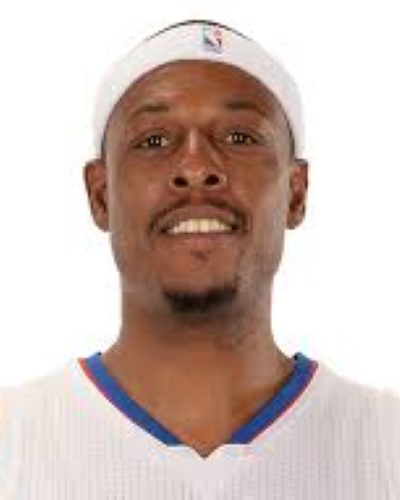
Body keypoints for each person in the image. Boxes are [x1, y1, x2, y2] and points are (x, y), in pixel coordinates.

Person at [0, 19, 399, 499]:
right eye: (153, 140)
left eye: (239, 137)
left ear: (296, 193)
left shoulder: (386, 444)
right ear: (100, 195)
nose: (195, 167)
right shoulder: (13, 442)